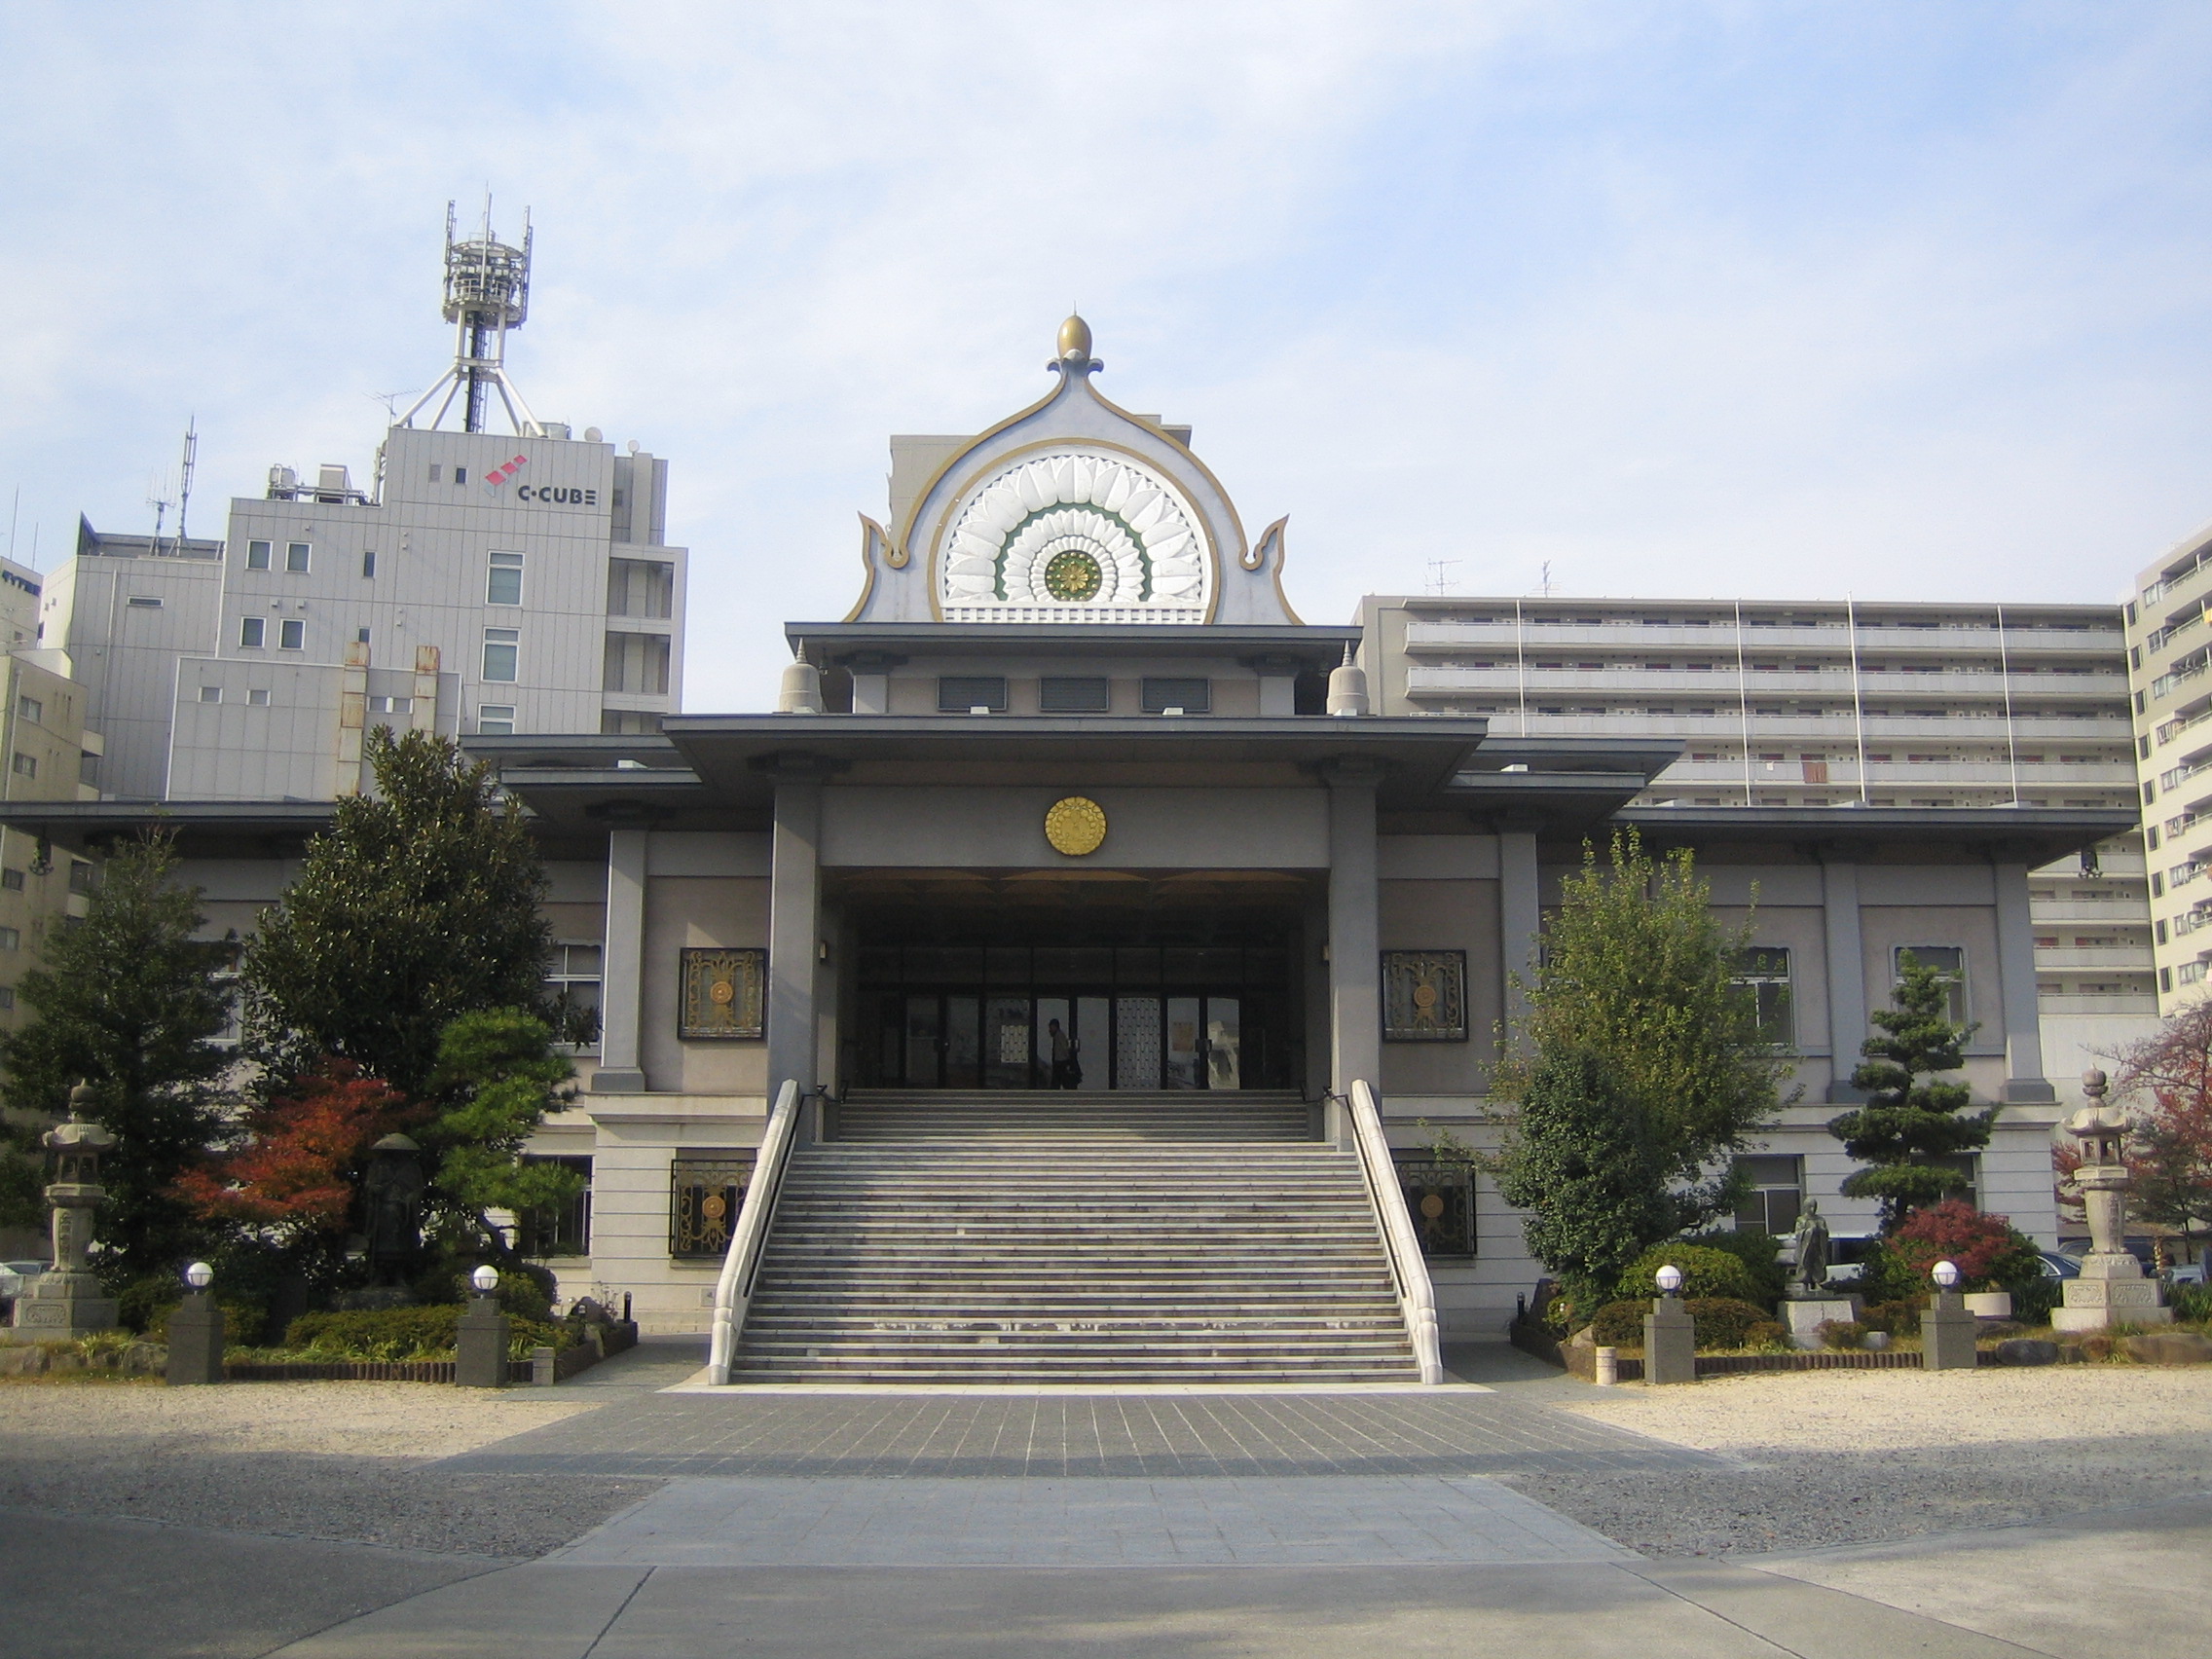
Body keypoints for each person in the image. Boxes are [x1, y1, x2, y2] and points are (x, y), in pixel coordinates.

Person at [1048, 1018, 1080, 1089]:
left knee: (1058, 1079)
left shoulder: (1059, 1035)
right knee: (1060, 1079)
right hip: (1059, 1061)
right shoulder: (1058, 1036)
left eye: (1051, 1027)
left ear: (1055, 1027)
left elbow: (1064, 1047)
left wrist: (1068, 1057)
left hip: (1060, 1061)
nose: (1050, 1030)